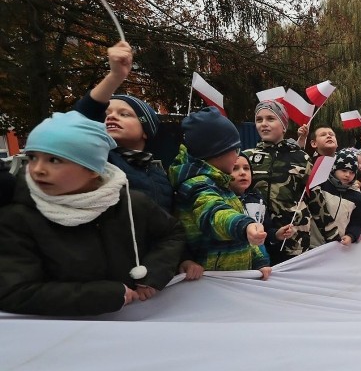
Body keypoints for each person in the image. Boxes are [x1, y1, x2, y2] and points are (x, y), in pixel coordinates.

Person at [0, 111, 184, 316]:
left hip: (136, 322)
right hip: (61, 335)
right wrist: (104, 296)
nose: (38, 169)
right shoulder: (18, 218)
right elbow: (14, 292)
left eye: (54, 160)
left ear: (93, 168)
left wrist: (153, 273)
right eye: (33, 157)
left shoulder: (132, 204)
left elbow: (172, 233)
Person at [73, 41, 173, 214]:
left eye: (124, 114)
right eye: (106, 114)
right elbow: (82, 118)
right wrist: (114, 77)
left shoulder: (160, 175)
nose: (111, 116)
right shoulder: (100, 160)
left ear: (146, 132)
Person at [170, 108, 271, 276]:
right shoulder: (197, 185)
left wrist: (259, 262)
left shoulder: (221, 184)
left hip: (232, 278)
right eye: (236, 150)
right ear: (217, 153)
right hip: (210, 282)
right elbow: (214, 214)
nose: (237, 156)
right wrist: (244, 226)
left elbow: (244, 240)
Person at [245, 101, 339, 263]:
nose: (264, 124)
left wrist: (334, 237)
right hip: (256, 240)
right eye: (259, 120)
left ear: (283, 125)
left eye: (270, 119)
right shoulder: (248, 157)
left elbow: (316, 199)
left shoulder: (301, 158)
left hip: (294, 240)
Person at [321, 149, 361, 246]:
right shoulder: (321, 186)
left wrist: (351, 235)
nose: (347, 175)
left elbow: (357, 222)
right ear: (334, 168)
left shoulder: (357, 197)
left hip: (337, 244)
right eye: (343, 170)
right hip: (314, 243)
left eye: (352, 172)